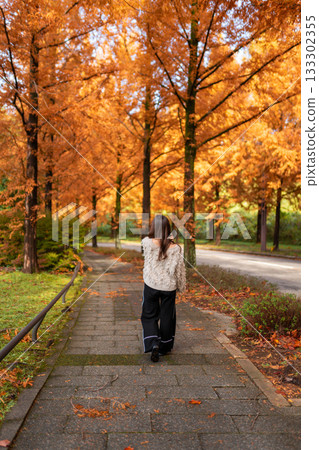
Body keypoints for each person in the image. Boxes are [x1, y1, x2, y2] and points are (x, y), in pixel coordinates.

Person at [140, 215, 186, 362]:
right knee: (167, 316)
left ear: (153, 227)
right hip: (168, 287)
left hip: (151, 284)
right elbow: (179, 270)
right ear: (168, 228)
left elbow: (149, 258)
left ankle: (153, 343)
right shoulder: (177, 248)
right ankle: (164, 346)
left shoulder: (147, 243)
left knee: (149, 315)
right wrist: (181, 286)